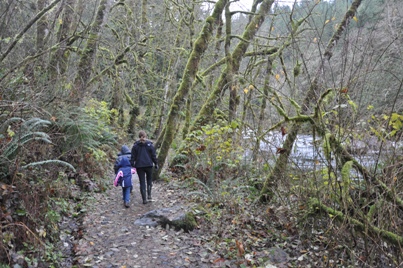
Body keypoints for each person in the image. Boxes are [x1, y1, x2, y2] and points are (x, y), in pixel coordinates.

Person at [130, 130, 158, 204]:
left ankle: (144, 199)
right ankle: (149, 195)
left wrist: (132, 164)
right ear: (145, 136)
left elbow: (132, 157)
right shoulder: (150, 145)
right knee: (149, 180)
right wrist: (156, 163)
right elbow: (153, 156)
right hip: (149, 165)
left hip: (140, 166)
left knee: (142, 182)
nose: (143, 138)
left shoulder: (135, 146)